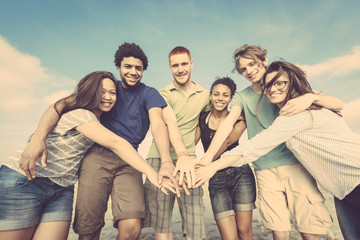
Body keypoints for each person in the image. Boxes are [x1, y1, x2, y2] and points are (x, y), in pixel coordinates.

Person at [18, 43, 177, 240]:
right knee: (89, 229)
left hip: (131, 160)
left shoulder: (149, 93)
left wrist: (166, 162)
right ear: (118, 67)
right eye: (128, 66)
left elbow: (158, 124)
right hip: (96, 156)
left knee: (132, 228)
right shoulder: (106, 89)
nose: (133, 72)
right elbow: (60, 105)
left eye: (138, 68)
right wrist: (38, 138)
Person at [195, 60, 360, 240]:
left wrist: (211, 165)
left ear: (293, 82)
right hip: (341, 189)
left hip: (355, 178)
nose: (272, 89)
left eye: (279, 83)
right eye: (267, 86)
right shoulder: (297, 109)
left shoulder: (297, 115)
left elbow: (254, 146)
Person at [143, 46, 212, 240]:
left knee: (194, 222)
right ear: (169, 67)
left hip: (189, 162)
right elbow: (169, 123)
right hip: (159, 159)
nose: (180, 69)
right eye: (175, 65)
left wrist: (188, 152)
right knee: (162, 222)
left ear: (191, 63)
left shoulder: (205, 95)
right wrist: (181, 153)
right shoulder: (162, 94)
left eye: (184, 64)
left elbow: (202, 125)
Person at [194, 77, 256, 240]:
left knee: (244, 232)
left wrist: (207, 163)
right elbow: (191, 143)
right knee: (229, 236)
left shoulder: (239, 119)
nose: (220, 98)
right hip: (216, 178)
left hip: (241, 173)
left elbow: (228, 140)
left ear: (231, 98)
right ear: (211, 96)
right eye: (216, 94)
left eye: (225, 95)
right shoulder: (202, 119)